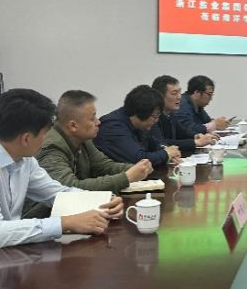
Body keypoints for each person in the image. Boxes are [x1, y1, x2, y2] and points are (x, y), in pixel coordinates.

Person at [0, 88, 120, 280]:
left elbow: (57, 193)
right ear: (26, 138)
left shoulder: (22, 158)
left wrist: (101, 202)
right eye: (45, 133)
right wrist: (63, 223)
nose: (46, 139)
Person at [22, 90, 154, 218]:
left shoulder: (83, 139)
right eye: (92, 118)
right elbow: (69, 188)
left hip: (75, 211)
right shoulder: (51, 147)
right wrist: (126, 177)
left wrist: (136, 169)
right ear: (73, 126)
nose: (98, 122)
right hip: (45, 219)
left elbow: (104, 166)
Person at [94, 85, 180, 167]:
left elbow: (154, 143)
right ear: (140, 112)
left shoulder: (139, 124)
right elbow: (137, 159)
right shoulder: (112, 127)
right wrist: (166, 154)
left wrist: (167, 151)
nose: (156, 120)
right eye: (155, 116)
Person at [152, 75, 217, 155]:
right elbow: (161, 142)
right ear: (160, 96)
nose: (179, 97)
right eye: (174, 93)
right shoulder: (153, 117)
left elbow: (182, 132)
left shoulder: (170, 113)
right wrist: (195, 142)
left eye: (179, 92)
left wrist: (197, 136)